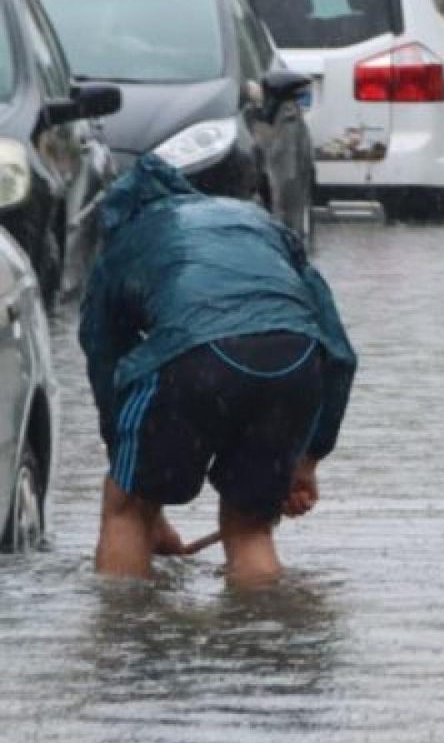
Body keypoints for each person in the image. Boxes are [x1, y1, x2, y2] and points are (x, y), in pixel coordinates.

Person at [80, 157, 357, 588]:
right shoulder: (257, 222)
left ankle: (124, 642)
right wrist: (308, 459)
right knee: (250, 528)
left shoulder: (124, 243)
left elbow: (104, 359)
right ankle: (260, 640)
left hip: (194, 355)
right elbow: (340, 354)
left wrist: (137, 484)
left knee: (126, 510)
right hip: (294, 359)